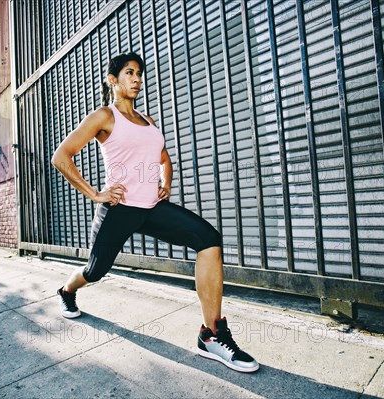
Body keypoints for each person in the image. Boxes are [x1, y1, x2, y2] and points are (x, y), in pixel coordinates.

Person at [51, 52, 259, 373]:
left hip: (151, 208)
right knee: (95, 271)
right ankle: (67, 291)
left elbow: (164, 158)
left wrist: (166, 183)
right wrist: (95, 194)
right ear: (113, 80)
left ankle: (212, 334)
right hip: (118, 211)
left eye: (139, 74)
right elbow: (61, 156)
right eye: (129, 73)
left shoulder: (148, 121)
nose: (136, 79)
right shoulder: (104, 117)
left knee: (209, 240)